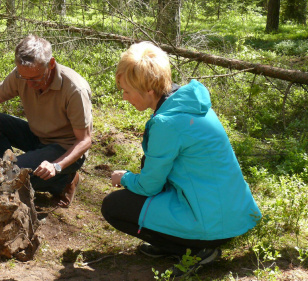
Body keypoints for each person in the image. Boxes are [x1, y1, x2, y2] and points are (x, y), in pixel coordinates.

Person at [101, 42, 261, 277]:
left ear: (148, 91)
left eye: (126, 91)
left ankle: (193, 249)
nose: (124, 97)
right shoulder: (189, 102)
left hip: (211, 223)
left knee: (113, 206)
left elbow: (149, 186)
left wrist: (124, 178)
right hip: (231, 215)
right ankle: (179, 242)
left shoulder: (168, 123)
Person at [0, 35, 92, 208]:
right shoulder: (21, 75)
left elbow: (84, 141)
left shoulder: (75, 89)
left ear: (51, 64)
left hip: (65, 147)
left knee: (14, 176)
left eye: (36, 78)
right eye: (25, 78)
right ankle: (5, 172)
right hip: (37, 136)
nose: (29, 84)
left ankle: (64, 179)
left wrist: (57, 166)